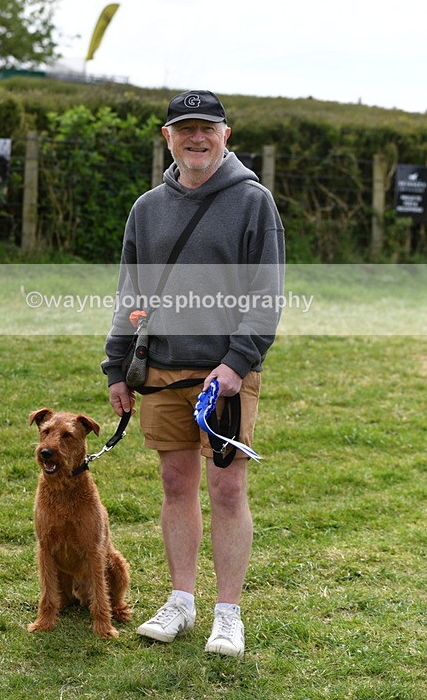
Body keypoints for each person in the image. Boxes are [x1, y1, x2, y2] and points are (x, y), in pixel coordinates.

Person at [102, 90, 285, 657]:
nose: (196, 138)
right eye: (185, 129)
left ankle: (227, 615)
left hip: (225, 374)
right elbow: (130, 292)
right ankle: (181, 601)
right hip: (159, 368)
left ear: (226, 136)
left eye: (207, 128)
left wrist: (237, 363)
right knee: (174, 484)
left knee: (227, 489)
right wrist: (116, 365)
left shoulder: (254, 202)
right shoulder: (145, 209)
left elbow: (267, 293)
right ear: (168, 137)